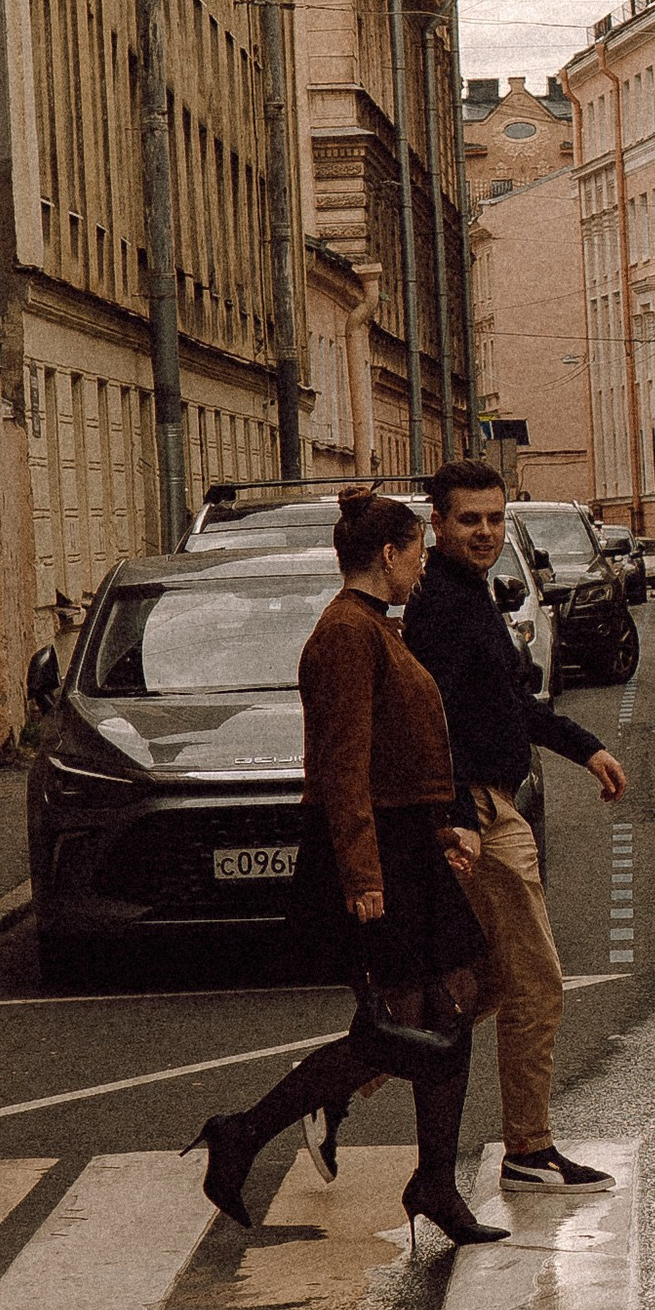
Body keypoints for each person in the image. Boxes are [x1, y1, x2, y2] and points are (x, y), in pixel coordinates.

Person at [186, 491, 507, 1253]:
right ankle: (247, 1131)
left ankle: (430, 1181)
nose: (423, 566)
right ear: (388, 555)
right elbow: (341, 767)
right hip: (374, 856)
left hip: (405, 846)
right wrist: (364, 876)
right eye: (418, 552)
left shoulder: (371, 628)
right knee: (405, 1028)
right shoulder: (343, 635)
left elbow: (397, 751)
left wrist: (437, 828)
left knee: (445, 1011)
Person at [403, 458, 627, 1189]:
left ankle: (343, 1087)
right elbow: (431, 726)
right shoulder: (440, 606)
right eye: (469, 520)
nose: (485, 532)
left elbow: (506, 705)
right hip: (482, 812)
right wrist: (459, 816)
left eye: (496, 519)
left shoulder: (470, 595)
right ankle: (528, 1150)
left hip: (495, 800)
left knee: (484, 985)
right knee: (537, 982)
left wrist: (583, 747)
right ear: (436, 525)